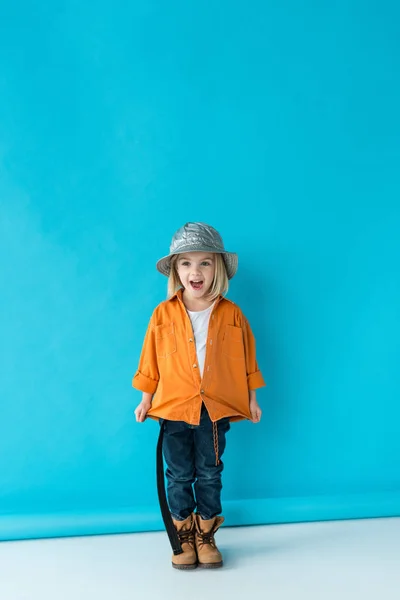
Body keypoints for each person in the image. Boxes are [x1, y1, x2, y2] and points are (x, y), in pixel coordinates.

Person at [133, 222, 266, 570]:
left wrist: (252, 399)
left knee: (209, 471)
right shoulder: (162, 315)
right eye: (186, 263)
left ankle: (206, 534)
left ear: (217, 268)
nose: (195, 271)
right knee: (177, 474)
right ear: (176, 271)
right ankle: (184, 535)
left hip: (215, 409)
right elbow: (150, 360)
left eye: (205, 262)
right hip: (173, 408)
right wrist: (146, 399)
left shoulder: (232, 314)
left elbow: (248, 359)